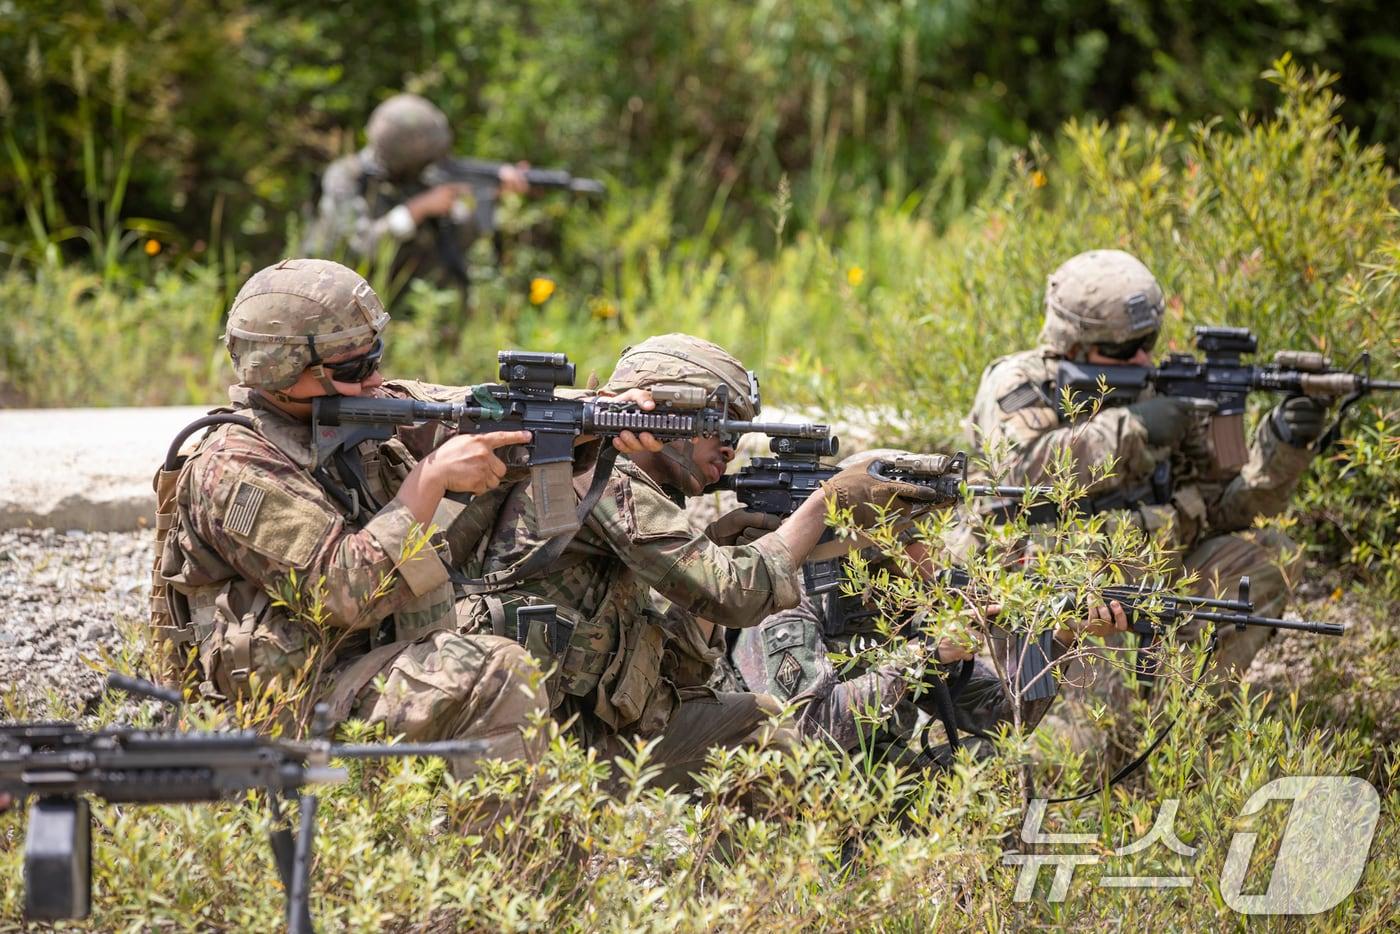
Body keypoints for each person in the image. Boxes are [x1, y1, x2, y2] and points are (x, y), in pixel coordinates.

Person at [148, 258, 656, 769]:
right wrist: (429, 480)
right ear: (279, 374)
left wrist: (599, 413)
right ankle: (508, 847)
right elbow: (343, 594)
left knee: (528, 624)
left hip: (358, 663)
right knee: (497, 672)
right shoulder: (235, 469)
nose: (375, 378)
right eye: (353, 369)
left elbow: (475, 413)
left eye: (375, 357)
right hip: (284, 703)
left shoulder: (355, 411)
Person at [458, 334, 943, 790]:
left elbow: (676, 677)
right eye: (717, 422)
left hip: (582, 731)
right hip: (529, 739)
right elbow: (737, 595)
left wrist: (716, 545)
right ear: (664, 412)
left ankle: (746, 883)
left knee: (760, 731)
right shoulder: (604, 478)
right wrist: (826, 502)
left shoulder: (624, 488)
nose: (729, 446)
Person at [966, 248, 1330, 682]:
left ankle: (1186, 718)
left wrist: (1285, 442)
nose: (1141, 359)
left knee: (1269, 554)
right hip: (1049, 601)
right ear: (1072, 342)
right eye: (1123, 349)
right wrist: (1132, 430)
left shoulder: (1159, 390)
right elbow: (1017, 471)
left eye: (1148, 343)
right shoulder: (1021, 384)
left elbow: (1228, 509)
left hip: (1147, 586)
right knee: (1089, 740)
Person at [718, 452, 1129, 770]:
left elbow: (1002, 720)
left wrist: (1057, 641)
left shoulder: (904, 601)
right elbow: (809, 729)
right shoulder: (790, 597)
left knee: (988, 764)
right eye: (915, 533)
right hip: (788, 794)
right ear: (874, 542)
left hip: (868, 774)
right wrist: (924, 656)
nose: (933, 553)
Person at [304, 93, 530, 291]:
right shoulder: (346, 176)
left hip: (407, 298)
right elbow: (360, 246)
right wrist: (417, 209)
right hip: (335, 295)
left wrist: (488, 196)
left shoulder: (424, 177)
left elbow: (463, 237)